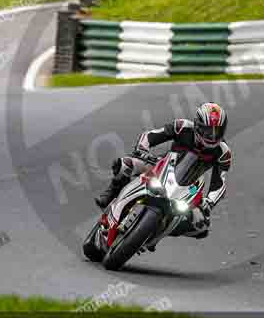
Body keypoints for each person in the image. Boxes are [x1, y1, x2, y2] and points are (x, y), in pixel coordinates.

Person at [95, 103, 231, 240]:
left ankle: (157, 229)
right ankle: (111, 193)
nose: (212, 136)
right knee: (125, 165)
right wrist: (142, 150)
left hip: (189, 187)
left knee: (202, 225)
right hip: (159, 166)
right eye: (208, 131)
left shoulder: (223, 152)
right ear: (197, 125)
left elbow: (219, 183)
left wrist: (209, 201)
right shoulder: (182, 127)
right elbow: (151, 135)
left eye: (216, 132)